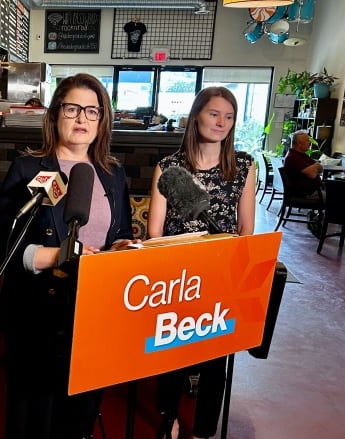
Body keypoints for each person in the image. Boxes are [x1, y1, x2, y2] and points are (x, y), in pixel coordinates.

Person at [0, 73, 140, 439]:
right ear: (56, 114)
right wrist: (57, 256)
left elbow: (120, 234)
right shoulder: (29, 169)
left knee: (80, 412)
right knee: (33, 415)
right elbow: (3, 244)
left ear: (102, 120)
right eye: (73, 108)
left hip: (95, 310)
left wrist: (121, 250)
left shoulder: (113, 173)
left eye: (92, 111)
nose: (81, 119)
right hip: (38, 309)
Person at [148, 86, 256, 439]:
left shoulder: (244, 166)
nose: (221, 122)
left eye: (229, 116)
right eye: (214, 113)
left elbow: (246, 230)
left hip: (221, 277)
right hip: (177, 278)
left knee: (215, 362)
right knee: (171, 358)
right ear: (196, 115)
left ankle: (205, 429)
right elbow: (156, 231)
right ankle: (169, 419)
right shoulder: (169, 168)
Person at [283, 130, 324, 198]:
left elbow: (320, 168)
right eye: (307, 140)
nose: (310, 143)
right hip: (306, 194)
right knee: (340, 201)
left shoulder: (302, 155)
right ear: (299, 143)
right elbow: (312, 175)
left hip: (314, 191)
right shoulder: (293, 157)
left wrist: (315, 167)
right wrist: (315, 167)